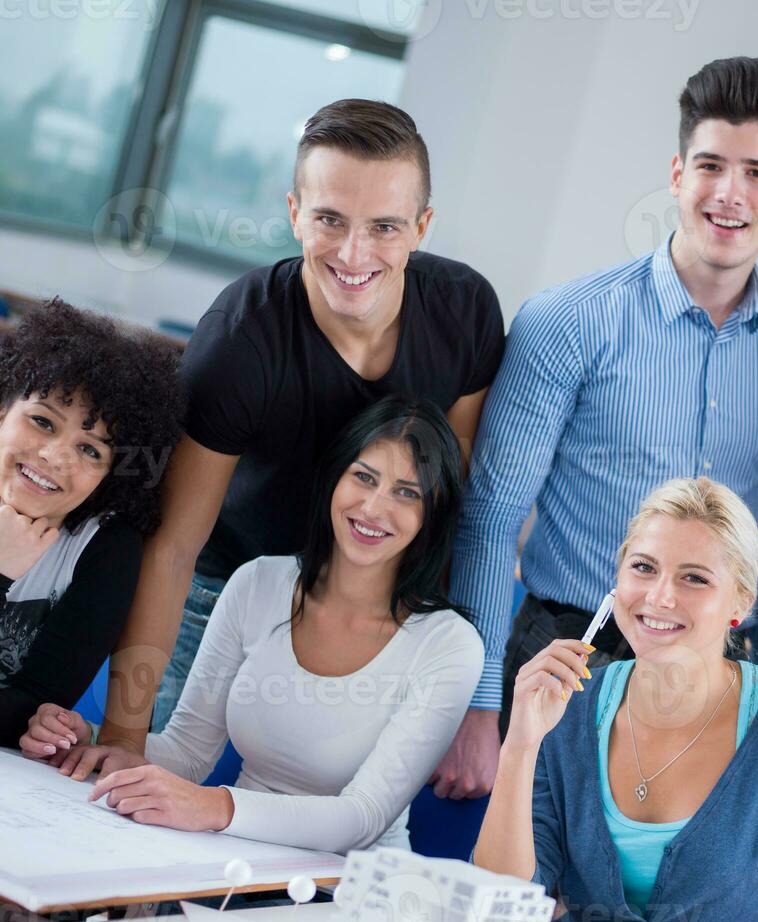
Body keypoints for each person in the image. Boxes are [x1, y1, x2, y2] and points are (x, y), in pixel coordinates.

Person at [89, 100, 504, 776]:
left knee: (316, 821)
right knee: (148, 788)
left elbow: (448, 506)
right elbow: (173, 549)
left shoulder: (464, 313)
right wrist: (125, 734)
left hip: (368, 606)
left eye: (384, 227)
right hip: (221, 591)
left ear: (422, 228)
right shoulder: (239, 342)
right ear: (293, 213)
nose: (353, 252)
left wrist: (445, 675)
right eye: (329, 219)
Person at [449, 57, 758, 792]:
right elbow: (490, 518)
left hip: (714, 676)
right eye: (711, 165)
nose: (729, 193)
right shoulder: (569, 320)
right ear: (677, 173)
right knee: (520, 892)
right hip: (567, 652)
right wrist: (477, 704)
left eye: (756, 172)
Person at [21, 397, 483, 854]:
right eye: (363, 477)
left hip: (351, 891)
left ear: (434, 512)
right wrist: (91, 741)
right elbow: (188, 751)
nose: (374, 508)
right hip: (232, 859)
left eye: (408, 492)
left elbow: (360, 818)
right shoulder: (259, 582)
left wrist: (213, 807)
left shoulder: (448, 644)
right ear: (334, 479)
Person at [474, 478, 758, 922]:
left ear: (741, 604)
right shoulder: (570, 710)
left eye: (695, 578)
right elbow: (503, 900)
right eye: (643, 568)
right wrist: (521, 743)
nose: (660, 597)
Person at [0, 300, 183, 747]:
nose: (54, 456)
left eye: (91, 450)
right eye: (43, 421)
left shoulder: (104, 548)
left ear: (111, 474)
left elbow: (37, 705)